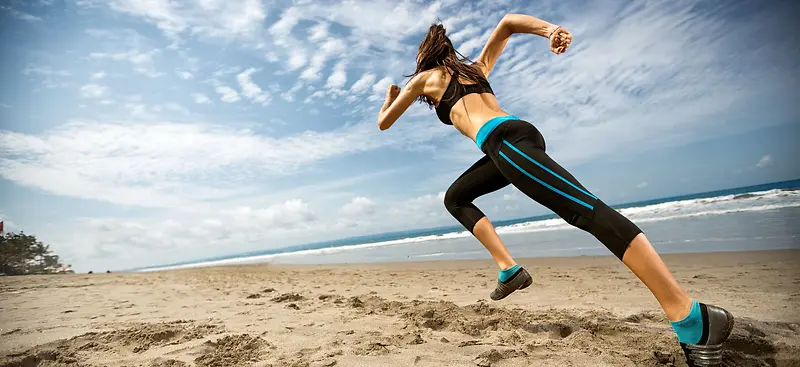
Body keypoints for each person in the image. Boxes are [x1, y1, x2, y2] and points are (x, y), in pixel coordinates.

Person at [376, 13, 734, 367]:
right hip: (515, 139)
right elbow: (507, 23)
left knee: (586, 210)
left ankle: (690, 316)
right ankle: (509, 270)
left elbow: (384, 122)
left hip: (505, 144)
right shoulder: (477, 70)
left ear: (425, 57)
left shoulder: (425, 78)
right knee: (456, 198)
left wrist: (389, 98)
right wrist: (552, 30)